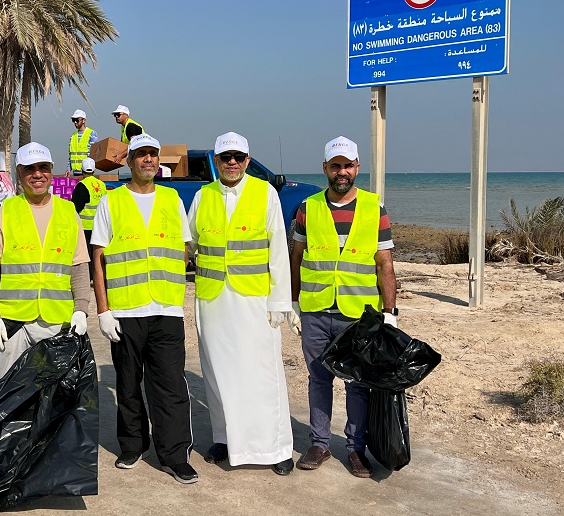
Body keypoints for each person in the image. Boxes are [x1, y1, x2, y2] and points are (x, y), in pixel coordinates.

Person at [290, 136, 398, 479]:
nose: (342, 172)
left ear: (357, 168)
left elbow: (384, 263)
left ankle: (355, 449)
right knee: (318, 379)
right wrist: (292, 302)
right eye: (335, 165)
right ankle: (319, 444)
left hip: (359, 314)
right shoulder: (307, 208)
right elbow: (296, 257)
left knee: (357, 383)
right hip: (316, 310)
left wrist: (390, 313)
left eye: (348, 165)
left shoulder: (374, 207)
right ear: (325, 168)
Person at [188, 132, 295, 476]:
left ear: (247, 160)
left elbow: (278, 250)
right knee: (218, 374)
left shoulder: (265, 193)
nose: (232, 162)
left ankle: (276, 447)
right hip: (213, 301)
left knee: (262, 372)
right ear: (217, 161)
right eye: (225, 157)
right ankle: (224, 437)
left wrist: (280, 302)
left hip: (254, 300)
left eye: (238, 157)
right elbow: (190, 244)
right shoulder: (203, 196)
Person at [92, 134, 197, 485]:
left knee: (170, 385)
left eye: (153, 154)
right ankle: (133, 445)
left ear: (158, 160)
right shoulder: (111, 201)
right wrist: (103, 309)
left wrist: (173, 291)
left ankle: (175, 455)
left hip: (166, 309)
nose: (148, 160)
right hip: (125, 311)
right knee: (127, 384)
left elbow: (183, 249)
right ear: (129, 161)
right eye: (140, 155)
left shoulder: (171, 199)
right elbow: (98, 258)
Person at [0, 142, 92, 379]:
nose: (37, 174)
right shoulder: (5, 213)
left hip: (56, 320)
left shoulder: (68, 212)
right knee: (10, 389)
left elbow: (79, 266)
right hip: (13, 323)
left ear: (51, 170)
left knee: (55, 391)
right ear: (19, 173)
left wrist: (81, 309)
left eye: (43, 167)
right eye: (29, 169)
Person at [70, 158, 107, 258]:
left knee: (88, 256)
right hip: (100, 226)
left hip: (86, 228)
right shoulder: (102, 185)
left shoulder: (81, 186)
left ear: (81, 170)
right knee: (99, 255)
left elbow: (74, 208)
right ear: (94, 170)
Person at [65, 109, 99, 176]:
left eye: (77, 120)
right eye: (73, 120)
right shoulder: (73, 136)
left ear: (83, 120)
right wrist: (68, 169)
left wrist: (94, 166)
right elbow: (71, 155)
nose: (75, 122)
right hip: (75, 172)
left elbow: (96, 152)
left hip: (87, 172)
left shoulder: (91, 133)